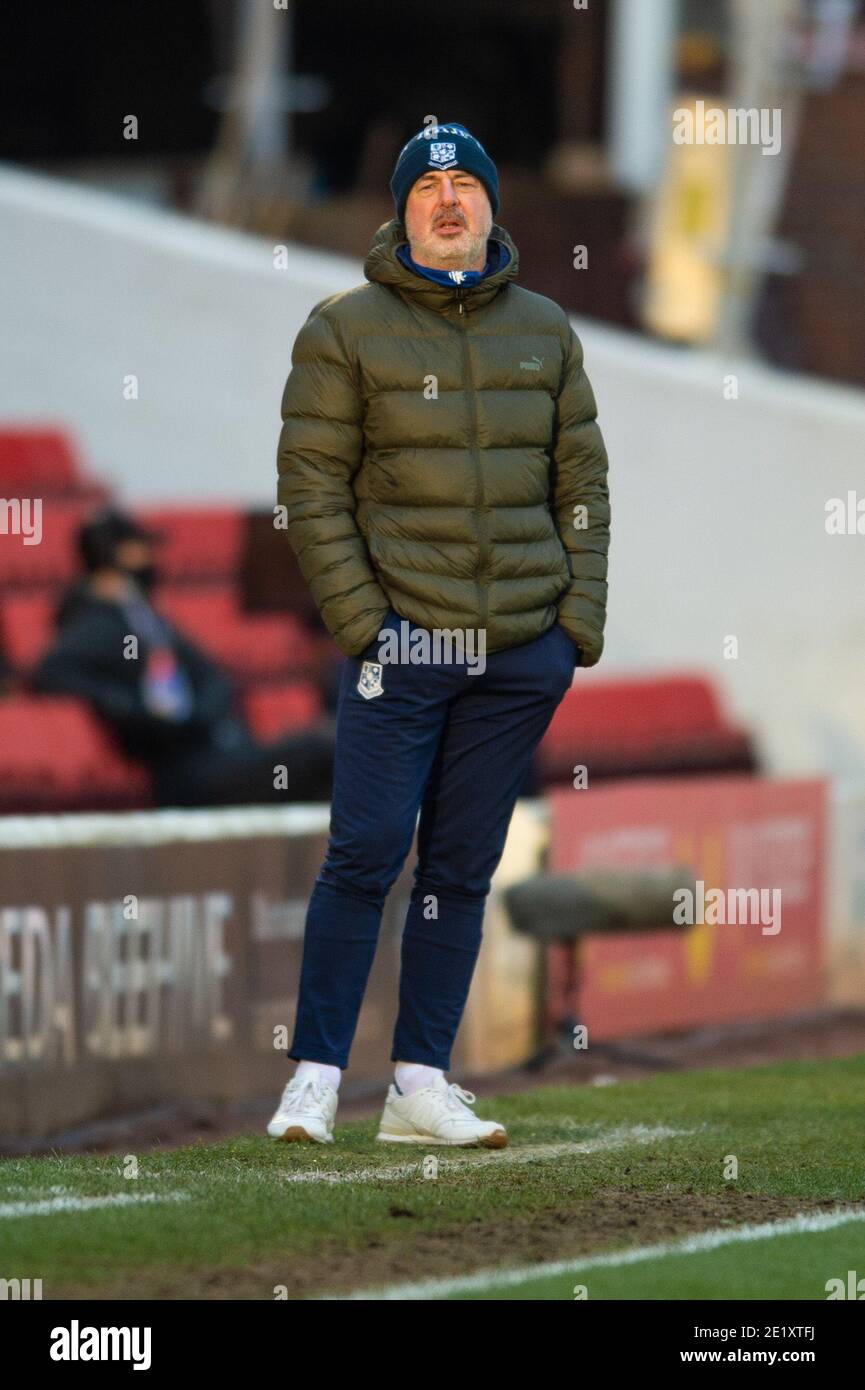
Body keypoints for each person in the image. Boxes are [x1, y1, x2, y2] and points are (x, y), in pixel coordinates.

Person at [269, 121, 610, 1147]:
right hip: (404, 645)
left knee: (460, 866)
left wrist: (572, 630)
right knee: (366, 851)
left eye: (467, 184)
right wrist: (366, 625)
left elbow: (581, 486)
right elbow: (309, 489)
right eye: (429, 187)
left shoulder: (546, 328)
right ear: (401, 209)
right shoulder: (344, 327)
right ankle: (315, 1078)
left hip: (519, 651)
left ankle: (419, 1083)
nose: (449, 200)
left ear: (492, 207)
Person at [32, 509, 334, 807]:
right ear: (119, 555)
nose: (152, 558)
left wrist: (199, 714)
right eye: (142, 549)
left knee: (334, 752)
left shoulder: (143, 617)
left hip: (217, 751)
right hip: (185, 771)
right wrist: (142, 713)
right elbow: (51, 671)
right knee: (322, 750)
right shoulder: (94, 623)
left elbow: (211, 676)